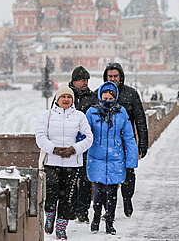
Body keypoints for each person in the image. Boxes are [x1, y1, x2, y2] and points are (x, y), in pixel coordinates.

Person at [35, 83, 93, 240]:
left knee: (67, 197)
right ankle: (50, 217)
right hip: (51, 162)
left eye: (69, 97)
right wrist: (54, 149)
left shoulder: (80, 116)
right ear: (57, 99)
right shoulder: (47, 115)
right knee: (51, 194)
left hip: (72, 164)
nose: (66, 99)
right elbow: (40, 137)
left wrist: (73, 149)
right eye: (63, 97)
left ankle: (61, 228)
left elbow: (89, 138)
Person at [86, 81, 138, 235]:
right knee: (98, 192)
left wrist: (131, 160)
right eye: (105, 96)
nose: (107, 99)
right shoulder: (92, 112)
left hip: (116, 158)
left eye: (111, 96)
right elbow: (85, 134)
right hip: (96, 157)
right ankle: (96, 216)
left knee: (112, 193)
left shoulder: (121, 113)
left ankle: (110, 221)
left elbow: (129, 137)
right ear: (100, 95)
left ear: (115, 97)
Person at [102, 63, 148, 218]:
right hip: (107, 144)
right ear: (105, 77)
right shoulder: (100, 94)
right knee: (108, 175)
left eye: (116, 76)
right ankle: (109, 207)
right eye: (110, 76)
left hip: (126, 142)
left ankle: (127, 199)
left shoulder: (131, 94)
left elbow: (140, 120)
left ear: (121, 77)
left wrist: (143, 142)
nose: (113, 79)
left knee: (128, 174)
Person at [68, 66, 98, 224]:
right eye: (82, 80)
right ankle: (71, 209)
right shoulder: (65, 96)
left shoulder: (92, 97)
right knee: (70, 177)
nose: (86, 83)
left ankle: (83, 210)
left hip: (86, 144)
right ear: (74, 81)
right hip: (69, 144)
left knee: (85, 180)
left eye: (87, 80)